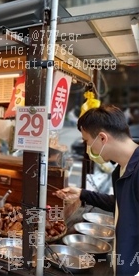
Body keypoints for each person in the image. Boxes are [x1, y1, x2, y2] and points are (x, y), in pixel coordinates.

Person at [53, 104, 139, 276]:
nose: (87, 148)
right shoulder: (121, 169)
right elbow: (121, 205)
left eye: (86, 141)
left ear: (102, 138)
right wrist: (82, 194)